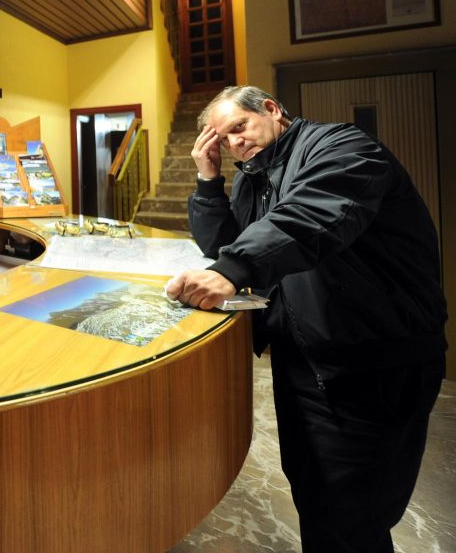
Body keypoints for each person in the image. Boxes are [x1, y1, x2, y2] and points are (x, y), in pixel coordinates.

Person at [164, 85, 447, 552]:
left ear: (271, 109)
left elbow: (309, 216)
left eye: (239, 127)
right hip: (304, 356)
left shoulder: (343, 147)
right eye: (223, 138)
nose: (234, 142)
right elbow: (223, 245)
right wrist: (208, 180)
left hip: (372, 361)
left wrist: (233, 270)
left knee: (352, 516)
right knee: (317, 496)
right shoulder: (255, 175)